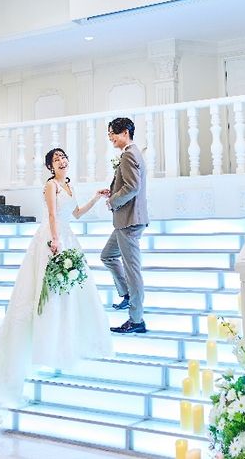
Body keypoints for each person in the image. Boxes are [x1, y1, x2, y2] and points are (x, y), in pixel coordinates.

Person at [0, 147, 113, 405]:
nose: (61, 161)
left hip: (68, 237)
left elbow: (76, 213)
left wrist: (96, 198)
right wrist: (55, 240)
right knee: (46, 290)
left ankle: (64, 342)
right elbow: (52, 215)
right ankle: (44, 345)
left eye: (63, 157)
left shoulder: (69, 186)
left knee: (68, 291)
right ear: (51, 166)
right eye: (56, 159)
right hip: (52, 240)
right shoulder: (51, 186)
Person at [100, 117, 149, 335]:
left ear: (125, 133)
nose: (110, 137)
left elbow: (133, 187)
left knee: (132, 271)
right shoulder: (131, 153)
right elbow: (128, 185)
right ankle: (127, 295)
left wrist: (113, 201)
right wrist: (113, 191)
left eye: (112, 133)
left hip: (129, 220)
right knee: (107, 255)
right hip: (125, 221)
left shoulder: (129, 154)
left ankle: (136, 319)